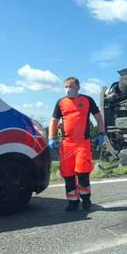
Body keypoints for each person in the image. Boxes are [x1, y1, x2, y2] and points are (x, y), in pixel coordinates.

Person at [48, 77, 105, 211]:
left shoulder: (87, 100)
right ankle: (72, 201)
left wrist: (101, 133)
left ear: (78, 87)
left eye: (70, 86)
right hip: (66, 144)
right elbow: (54, 121)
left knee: (82, 172)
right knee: (68, 174)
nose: (68, 89)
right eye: (66, 87)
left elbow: (98, 117)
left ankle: (86, 199)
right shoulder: (61, 102)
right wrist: (51, 137)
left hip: (82, 144)